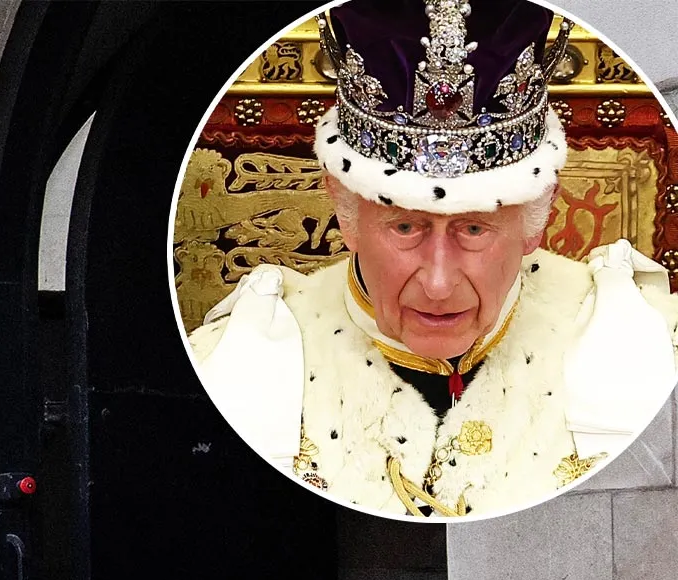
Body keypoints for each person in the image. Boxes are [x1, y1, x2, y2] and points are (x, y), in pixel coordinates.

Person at [187, 0, 678, 518]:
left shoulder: (647, 346)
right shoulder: (236, 359)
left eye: (473, 227)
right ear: (345, 212)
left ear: (538, 217)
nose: (439, 283)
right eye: (404, 226)